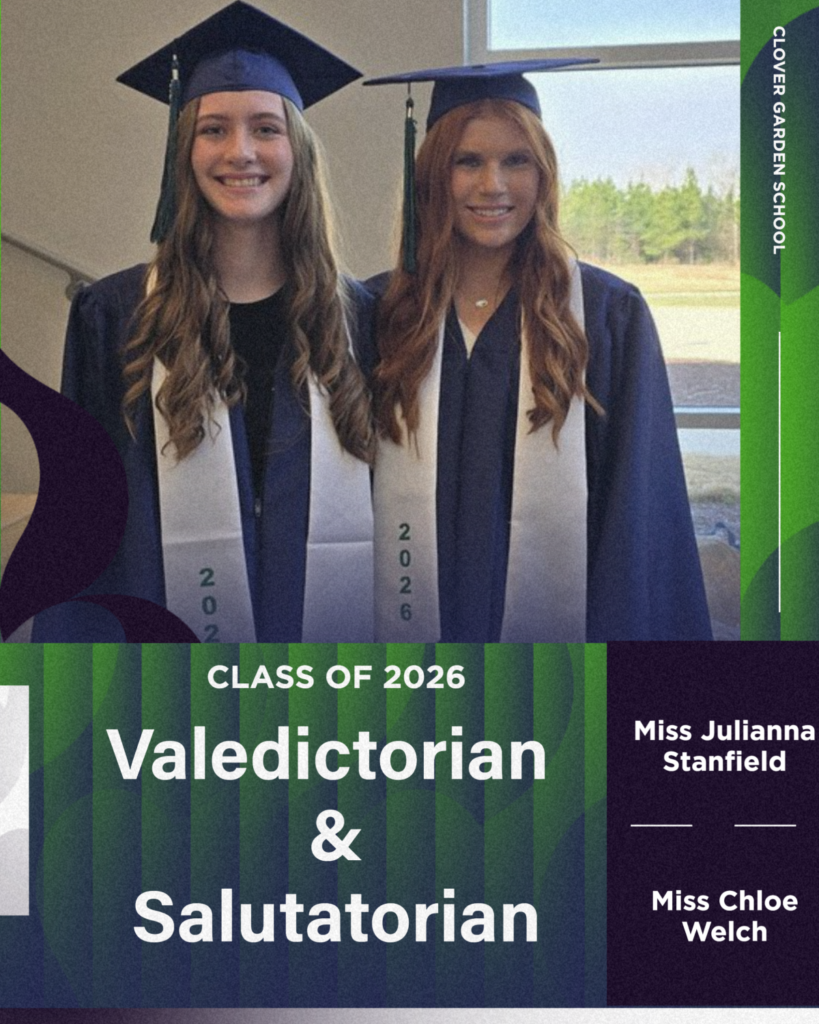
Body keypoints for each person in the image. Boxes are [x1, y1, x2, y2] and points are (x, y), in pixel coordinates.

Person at [32, 1, 375, 643]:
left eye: (266, 128)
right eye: (213, 129)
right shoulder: (114, 318)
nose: (240, 152)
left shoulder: (360, 319)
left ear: (297, 149)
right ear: (181, 152)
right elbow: (77, 527)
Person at [364, 62, 713, 642]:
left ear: (543, 174)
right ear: (430, 175)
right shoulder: (376, 313)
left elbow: (639, 512)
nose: (492, 185)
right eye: (467, 161)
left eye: (516, 161)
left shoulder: (606, 316)